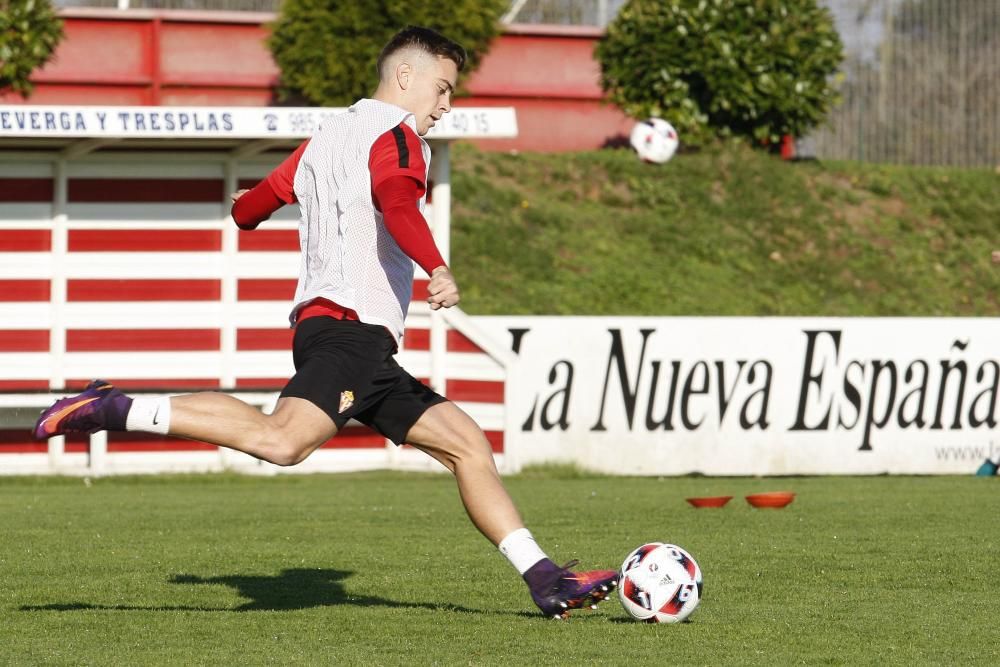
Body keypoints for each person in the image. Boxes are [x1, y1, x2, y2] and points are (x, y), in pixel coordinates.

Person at [33, 25, 616, 619]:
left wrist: (243, 203)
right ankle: (114, 407)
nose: (445, 106)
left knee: (467, 445)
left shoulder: (324, 136)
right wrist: (437, 266)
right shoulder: (400, 137)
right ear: (404, 76)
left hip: (348, 338)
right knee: (282, 441)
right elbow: (396, 203)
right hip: (350, 330)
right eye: (441, 89)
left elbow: (253, 209)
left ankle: (545, 579)